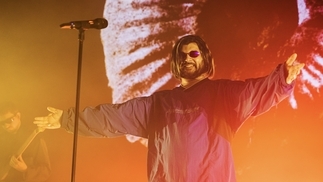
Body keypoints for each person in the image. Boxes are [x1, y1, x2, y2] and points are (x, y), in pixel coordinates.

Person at [34, 35, 304, 182]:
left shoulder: (222, 95)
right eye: (182, 55)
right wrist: (67, 119)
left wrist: (283, 79)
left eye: (194, 53)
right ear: (176, 63)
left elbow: (253, 93)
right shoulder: (159, 104)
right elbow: (112, 117)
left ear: (205, 59)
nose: (187, 57)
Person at [0, 102, 51, 182]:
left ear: (18, 116)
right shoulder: (1, 140)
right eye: (2, 123)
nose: (6, 125)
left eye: (9, 120)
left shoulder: (35, 139)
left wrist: (25, 169)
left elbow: (45, 172)